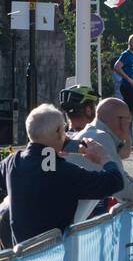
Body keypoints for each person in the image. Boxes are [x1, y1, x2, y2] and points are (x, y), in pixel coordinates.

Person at [0, 104, 124, 244]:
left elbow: (39, 164)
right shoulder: (65, 172)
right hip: (55, 257)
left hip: (22, 259)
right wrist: (103, 157)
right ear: (59, 132)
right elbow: (115, 182)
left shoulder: (12, 163)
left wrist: (56, 148)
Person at [74, 97, 133, 216]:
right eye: (129, 121)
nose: (129, 126)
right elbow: (121, 187)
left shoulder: (94, 133)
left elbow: (120, 175)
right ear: (120, 121)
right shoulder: (100, 137)